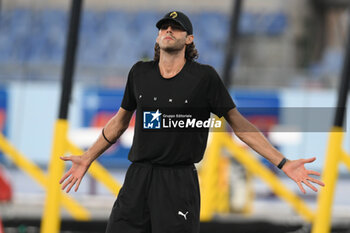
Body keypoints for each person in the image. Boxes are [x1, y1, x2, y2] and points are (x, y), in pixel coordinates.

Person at [59, 11, 325, 233]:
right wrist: (87, 157)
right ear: (157, 36)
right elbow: (118, 123)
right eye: (164, 27)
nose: (168, 30)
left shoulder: (204, 78)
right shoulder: (139, 73)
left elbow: (240, 125)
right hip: (138, 178)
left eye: (176, 28)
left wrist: (283, 162)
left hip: (178, 181)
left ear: (189, 39)